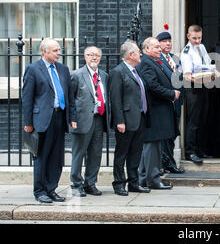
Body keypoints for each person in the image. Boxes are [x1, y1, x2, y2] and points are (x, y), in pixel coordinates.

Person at [22, 38, 76, 203]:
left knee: (56, 157)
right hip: (42, 119)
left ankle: (51, 189)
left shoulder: (63, 69)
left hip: (60, 117)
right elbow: (27, 98)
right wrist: (28, 122)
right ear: (44, 52)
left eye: (59, 50)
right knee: (42, 156)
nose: (59, 53)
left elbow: (69, 97)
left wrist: (72, 118)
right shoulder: (33, 69)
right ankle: (40, 191)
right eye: (55, 50)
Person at [137, 37, 179, 190]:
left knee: (152, 146)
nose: (159, 49)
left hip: (159, 111)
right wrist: (171, 94)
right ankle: (153, 179)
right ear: (147, 49)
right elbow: (152, 86)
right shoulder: (147, 63)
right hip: (154, 111)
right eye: (155, 47)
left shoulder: (154, 61)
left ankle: (143, 178)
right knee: (152, 146)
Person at [109, 41, 150, 196]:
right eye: (138, 52)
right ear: (131, 55)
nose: (140, 54)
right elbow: (115, 98)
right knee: (122, 153)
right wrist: (119, 120)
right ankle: (119, 183)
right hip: (125, 120)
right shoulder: (118, 72)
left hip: (139, 118)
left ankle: (134, 182)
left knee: (136, 153)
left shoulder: (135, 71)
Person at [69, 46, 109, 197]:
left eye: (97, 55)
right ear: (85, 57)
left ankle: (90, 183)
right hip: (81, 120)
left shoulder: (104, 76)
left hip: (99, 119)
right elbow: (70, 100)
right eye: (90, 55)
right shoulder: (76, 75)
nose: (94, 58)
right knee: (79, 154)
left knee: (95, 153)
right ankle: (76, 184)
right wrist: (72, 119)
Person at [180, 25, 215, 164]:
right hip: (193, 88)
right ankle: (190, 151)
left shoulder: (202, 47)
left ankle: (200, 149)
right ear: (188, 36)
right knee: (193, 121)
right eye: (194, 38)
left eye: (199, 37)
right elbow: (187, 76)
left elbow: (208, 64)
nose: (197, 40)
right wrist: (200, 80)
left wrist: (213, 76)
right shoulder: (186, 52)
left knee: (202, 120)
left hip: (203, 86)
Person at [156, 25, 185, 174]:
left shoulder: (175, 58)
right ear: (158, 43)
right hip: (165, 101)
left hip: (176, 102)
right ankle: (163, 163)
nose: (168, 44)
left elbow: (180, 79)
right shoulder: (157, 59)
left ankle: (169, 163)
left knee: (173, 133)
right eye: (164, 41)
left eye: (169, 41)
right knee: (164, 134)